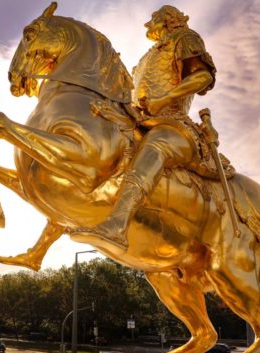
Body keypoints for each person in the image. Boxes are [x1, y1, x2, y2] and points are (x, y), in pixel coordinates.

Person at [76, 5, 217, 249]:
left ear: (169, 19)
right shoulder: (149, 55)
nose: (147, 24)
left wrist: (164, 99)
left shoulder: (186, 38)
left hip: (173, 123)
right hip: (139, 120)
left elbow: (202, 77)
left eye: (154, 18)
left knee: (157, 147)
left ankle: (117, 226)